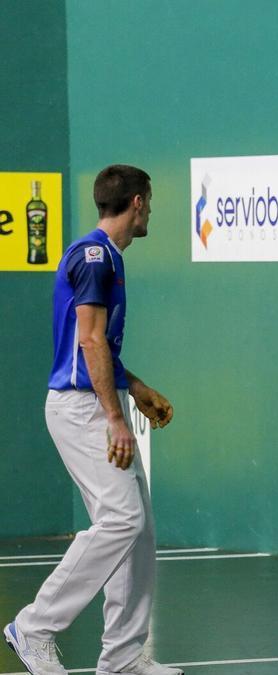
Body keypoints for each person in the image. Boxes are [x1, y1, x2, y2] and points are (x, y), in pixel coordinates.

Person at [4, 166, 180, 675]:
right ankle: (33, 628)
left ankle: (123, 658)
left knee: (137, 526)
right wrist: (113, 417)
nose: (151, 210)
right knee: (122, 518)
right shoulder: (96, 256)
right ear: (139, 202)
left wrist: (136, 388)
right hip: (82, 409)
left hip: (96, 400)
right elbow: (89, 340)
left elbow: (94, 347)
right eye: (151, 202)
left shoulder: (105, 258)